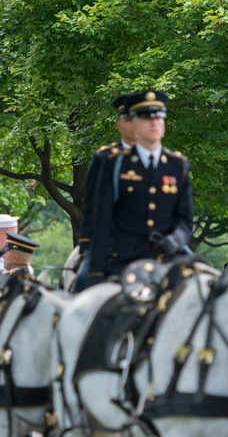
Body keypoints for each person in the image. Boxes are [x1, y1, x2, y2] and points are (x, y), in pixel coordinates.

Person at [85, 90, 194, 285]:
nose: (154, 122)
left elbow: (185, 219)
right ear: (133, 123)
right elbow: (100, 219)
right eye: (145, 117)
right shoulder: (113, 163)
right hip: (124, 261)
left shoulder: (178, 165)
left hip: (168, 260)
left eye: (159, 117)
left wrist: (176, 239)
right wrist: (96, 274)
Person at [74, 106, 136, 291]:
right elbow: (91, 207)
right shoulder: (105, 158)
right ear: (119, 125)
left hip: (155, 241)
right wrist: (85, 245)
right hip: (112, 241)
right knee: (84, 281)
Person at [0, 232, 40, 437]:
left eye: (5, 253)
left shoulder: (7, 283)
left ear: (13, 256)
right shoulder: (34, 283)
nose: (2, 257)